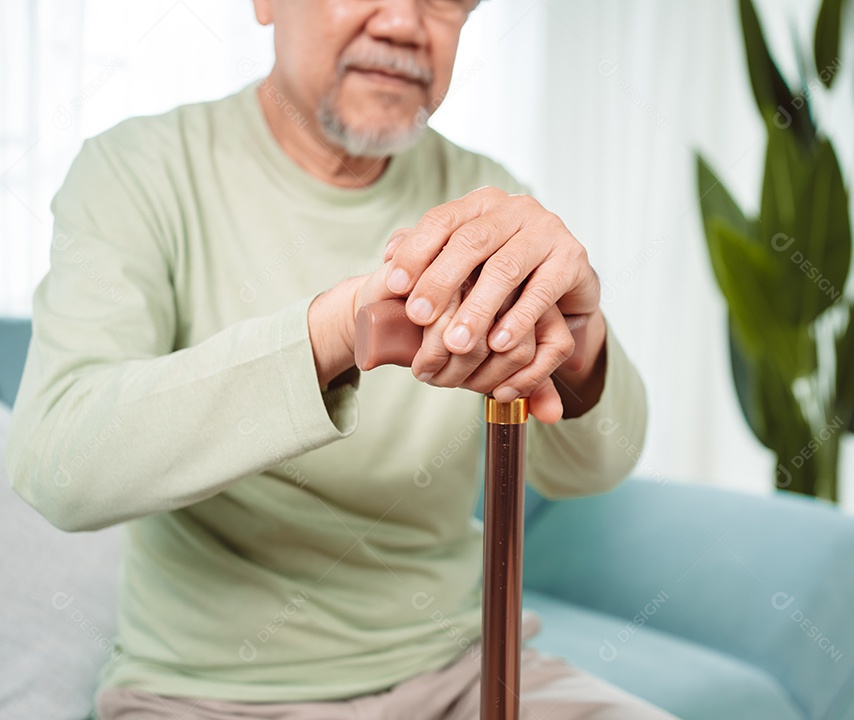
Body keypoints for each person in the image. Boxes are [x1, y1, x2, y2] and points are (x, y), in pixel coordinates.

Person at [3, 0, 669, 718]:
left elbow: (592, 469)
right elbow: (60, 467)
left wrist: (580, 339)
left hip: (463, 672)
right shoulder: (136, 170)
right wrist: (332, 333)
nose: (402, 23)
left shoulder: (488, 199)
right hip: (212, 696)